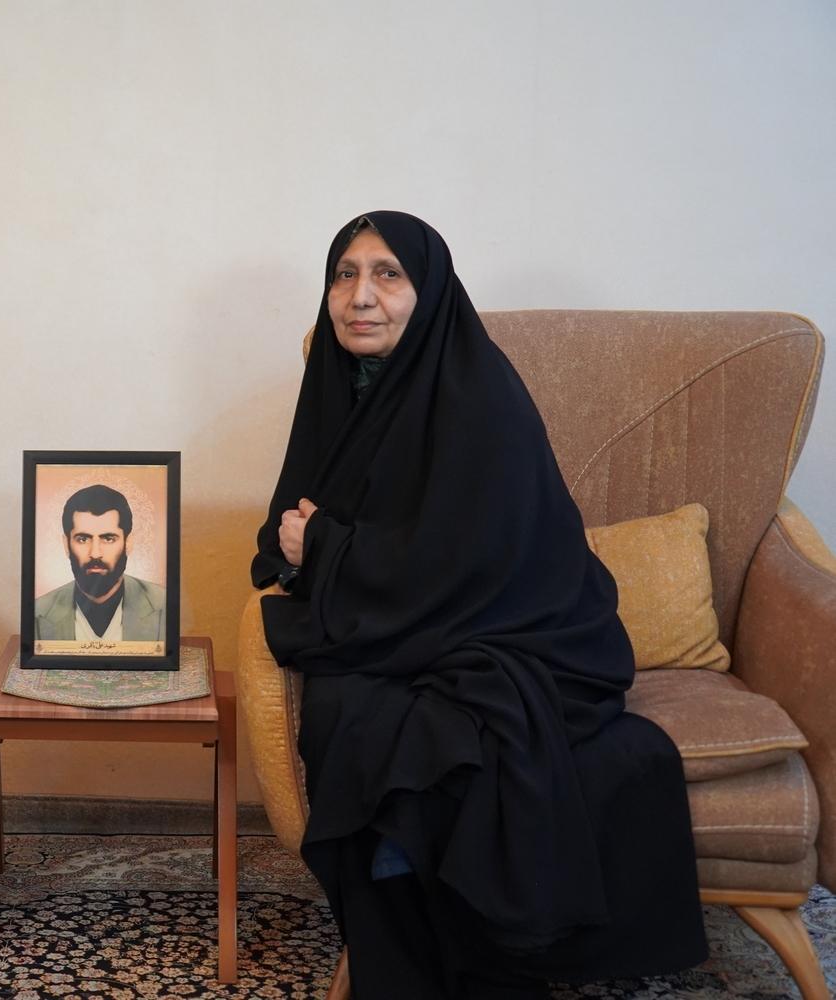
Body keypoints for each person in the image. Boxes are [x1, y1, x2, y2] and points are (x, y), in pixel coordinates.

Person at [251, 212, 706, 998]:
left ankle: (468, 966)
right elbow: (289, 526)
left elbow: (463, 557)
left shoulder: (479, 394)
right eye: (344, 274)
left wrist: (321, 545)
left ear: (428, 293)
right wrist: (301, 549)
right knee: (347, 716)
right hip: (405, 624)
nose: (361, 296)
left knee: (427, 739)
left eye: (388, 274)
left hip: (518, 627)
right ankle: (404, 967)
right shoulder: (340, 388)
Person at [34, 483, 168, 641]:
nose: (95, 553)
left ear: (128, 543)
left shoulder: (164, 605)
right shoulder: (38, 612)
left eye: (108, 539)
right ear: (66, 545)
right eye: (83, 539)